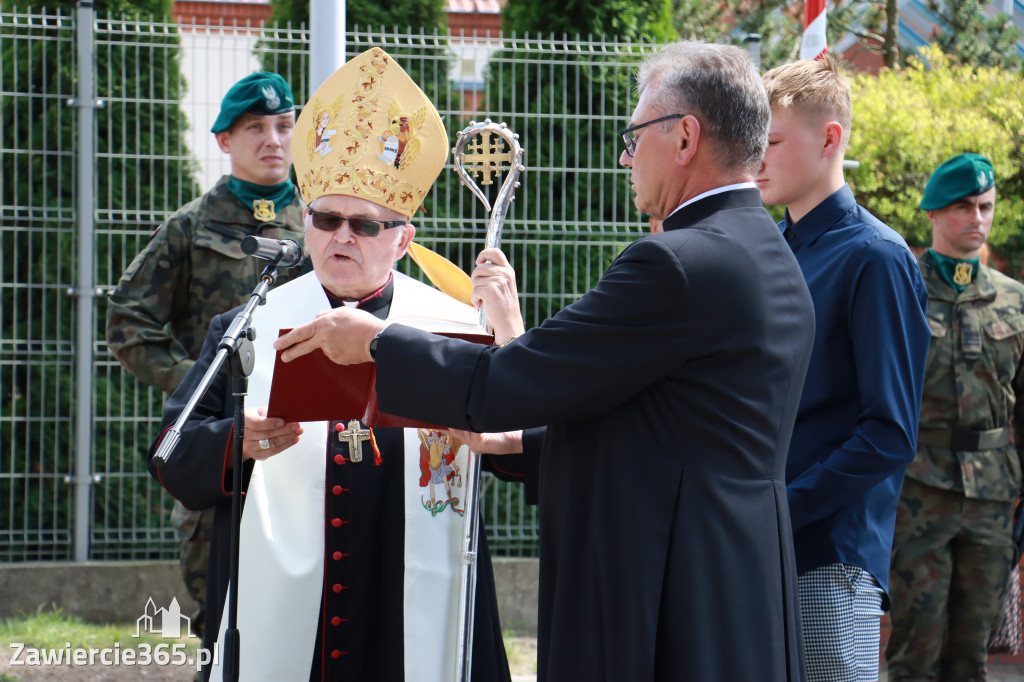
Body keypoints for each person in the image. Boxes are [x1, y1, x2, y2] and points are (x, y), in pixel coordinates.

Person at [274, 40, 815, 682]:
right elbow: (660, 424)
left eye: (634, 134)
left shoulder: (675, 265)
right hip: (737, 575)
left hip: (666, 583)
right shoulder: (771, 254)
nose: (625, 155)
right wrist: (521, 445)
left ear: (685, 137)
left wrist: (374, 342)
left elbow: (514, 379)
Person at [146, 48, 515, 682]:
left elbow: (524, 445)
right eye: (325, 218)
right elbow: (171, 454)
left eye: (365, 225)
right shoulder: (248, 323)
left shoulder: (453, 324)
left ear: (403, 238)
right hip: (291, 611)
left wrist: (507, 334)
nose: (340, 236)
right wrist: (237, 442)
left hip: (408, 597)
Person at [106, 71, 305, 644]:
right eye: (255, 128)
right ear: (224, 139)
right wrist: (194, 386)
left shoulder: (322, 226)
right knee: (222, 627)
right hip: (218, 449)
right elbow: (128, 322)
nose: (274, 140)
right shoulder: (191, 228)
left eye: (285, 126)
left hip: (303, 444)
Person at [756, 57, 930, 681]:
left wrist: (780, 509)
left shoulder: (875, 259)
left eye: (772, 141)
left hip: (828, 557)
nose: (758, 159)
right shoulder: (769, 249)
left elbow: (889, 432)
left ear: (829, 138)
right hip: (757, 546)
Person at [885, 152, 1024, 681]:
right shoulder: (902, 291)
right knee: (914, 656)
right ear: (934, 215)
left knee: (971, 658)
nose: (978, 219)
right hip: (917, 493)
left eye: (985, 206)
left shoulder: (1014, 301)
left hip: (991, 499)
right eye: (964, 207)